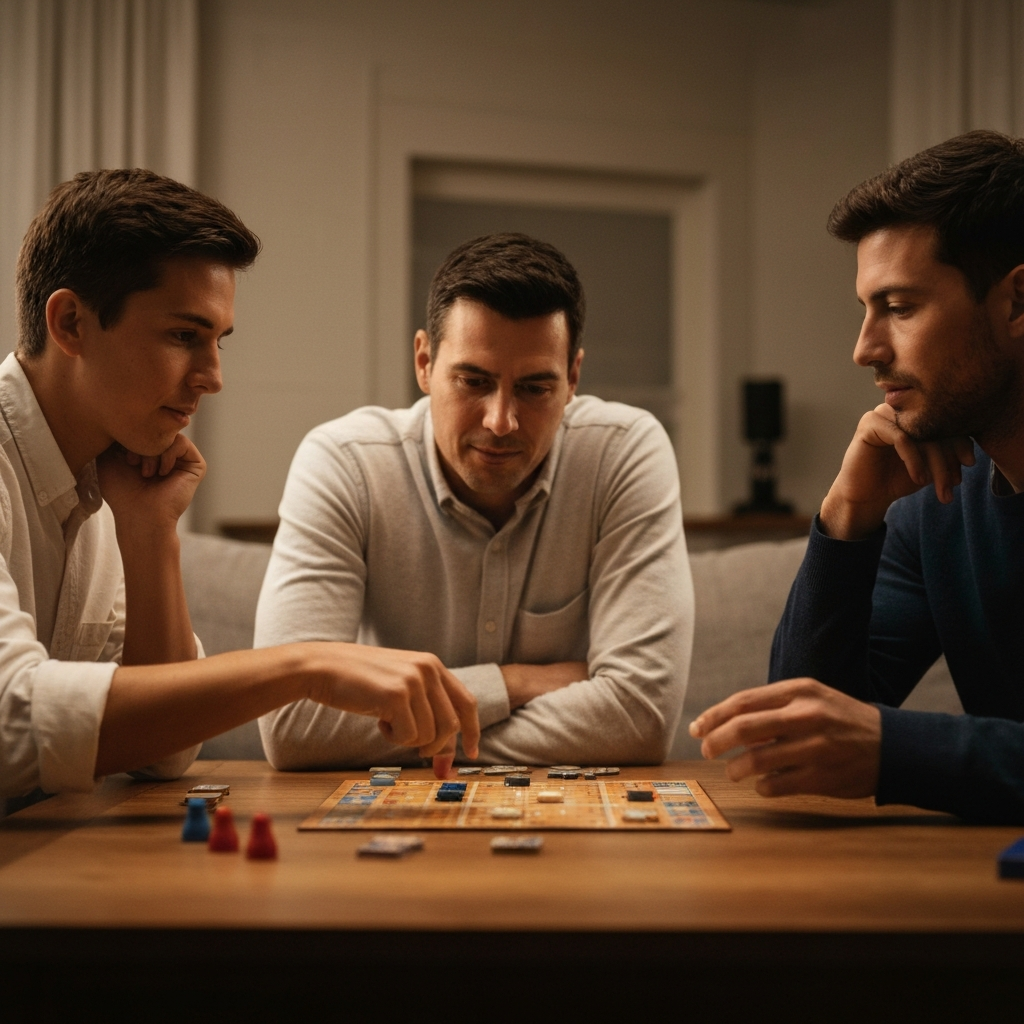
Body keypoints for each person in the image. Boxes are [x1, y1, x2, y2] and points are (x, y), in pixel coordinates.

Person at [1, 168, 478, 803]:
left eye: (218, 342)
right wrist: (306, 665)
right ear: (70, 323)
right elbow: (13, 723)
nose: (213, 376)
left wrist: (150, 534)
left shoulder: (103, 479)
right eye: (184, 336)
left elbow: (165, 754)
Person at [255, 232, 692, 773]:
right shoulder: (345, 464)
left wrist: (423, 723)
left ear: (573, 378)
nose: (500, 420)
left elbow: (641, 718)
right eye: (473, 381)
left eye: (535, 388)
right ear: (423, 362)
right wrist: (513, 683)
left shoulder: (623, 453)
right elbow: (295, 724)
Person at [690, 130, 1024, 824]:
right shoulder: (938, 502)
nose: (864, 349)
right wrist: (847, 514)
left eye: (899, 308)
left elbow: (864, 742)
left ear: (1017, 302)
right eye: (866, 310)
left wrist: (897, 750)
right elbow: (796, 737)